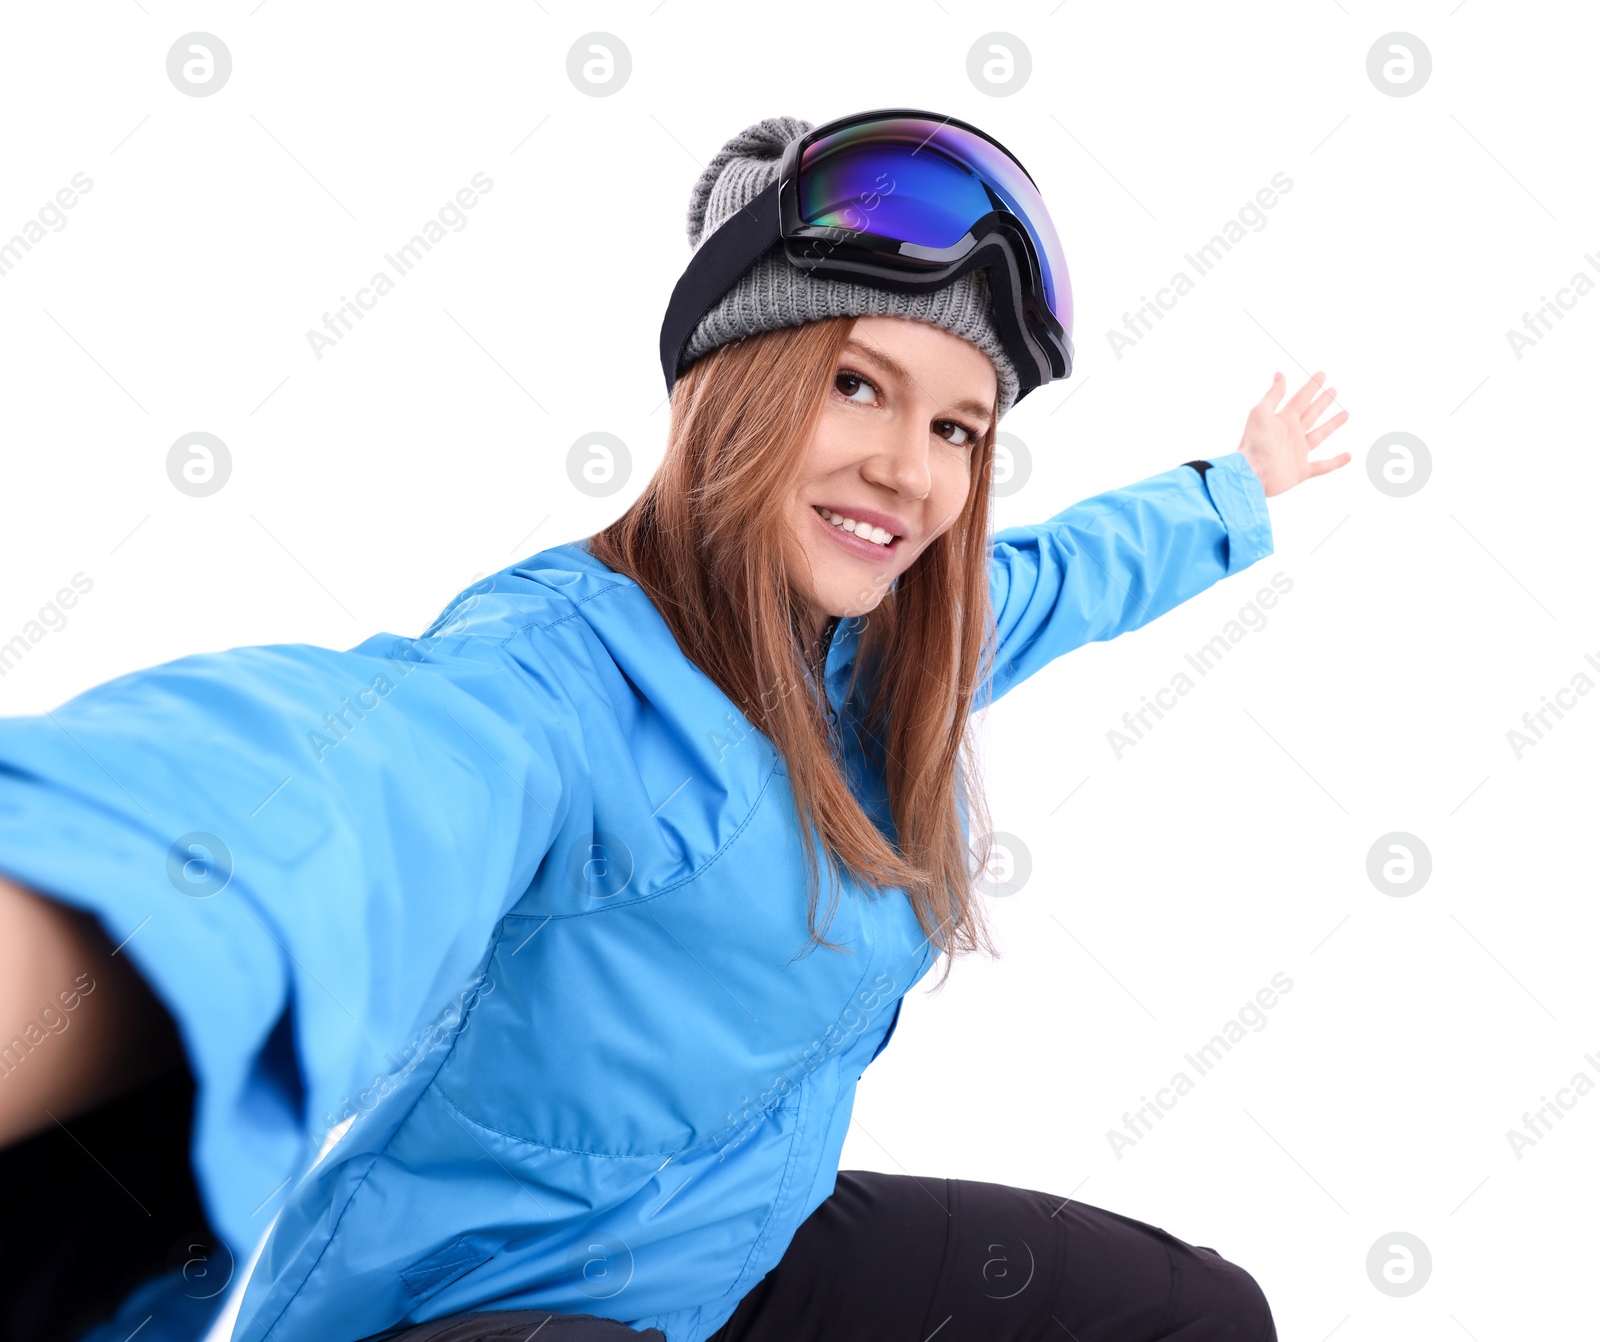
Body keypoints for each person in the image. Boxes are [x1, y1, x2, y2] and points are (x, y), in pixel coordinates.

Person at [0, 111, 1347, 1342]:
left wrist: (1239, 488)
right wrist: (82, 926)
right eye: (858, 386)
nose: (908, 467)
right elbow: (351, 795)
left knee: (1198, 1319)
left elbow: (1068, 571)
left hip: (728, 1259)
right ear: (737, 385)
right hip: (477, 1312)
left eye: (958, 426)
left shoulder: (898, 646)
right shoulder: (567, 673)